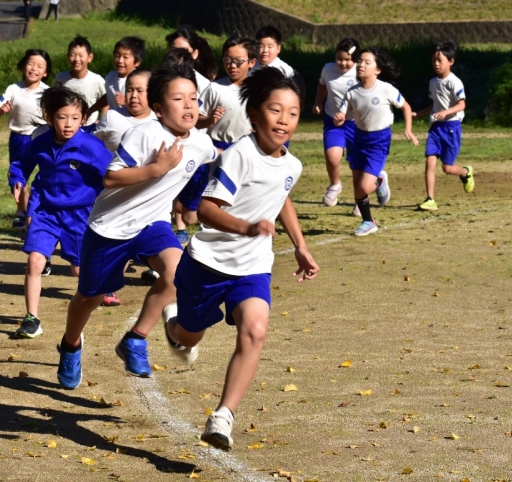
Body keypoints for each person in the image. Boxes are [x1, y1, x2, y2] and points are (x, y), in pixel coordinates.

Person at [162, 66, 319, 452]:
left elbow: (281, 197)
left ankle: (223, 416)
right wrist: (247, 227)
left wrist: (299, 244)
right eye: (275, 110)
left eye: (293, 113)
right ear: (254, 115)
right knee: (189, 335)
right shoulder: (239, 156)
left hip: (252, 267)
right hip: (207, 263)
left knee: (256, 329)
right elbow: (207, 210)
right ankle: (175, 327)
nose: (284, 120)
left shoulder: (292, 165)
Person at [55, 62, 218, 389]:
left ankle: (135, 339)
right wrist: (157, 168)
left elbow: (225, 155)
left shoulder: (200, 142)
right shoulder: (145, 134)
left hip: (152, 225)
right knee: (90, 297)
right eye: (178, 99)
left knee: (177, 275)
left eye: (193, 99)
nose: (188, 105)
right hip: (110, 229)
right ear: (158, 107)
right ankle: (71, 344)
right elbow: (112, 177)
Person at [8, 87, 112, 338]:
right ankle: (32, 318)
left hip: (79, 215)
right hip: (45, 211)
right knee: (35, 261)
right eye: (62, 117)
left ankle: (93, 297)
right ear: (50, 117)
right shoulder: (40, 143)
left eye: (75, 118)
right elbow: (21, 164)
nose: (68, 124)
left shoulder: (90, 146)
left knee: (79, 270)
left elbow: (112, 173)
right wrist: (17, 179)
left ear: (84, 119)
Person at [174, 33, 259, 245]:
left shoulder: (259, 91)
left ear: (252, 62)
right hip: (215, 150)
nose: (232, 66)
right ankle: (198, 233)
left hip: (247, 149)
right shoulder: (216, 88)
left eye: (238, 61)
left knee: (239, 199)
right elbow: (196, 120)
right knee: (197, 208)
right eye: (227, 60)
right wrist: (210, 119)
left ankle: (233, 240)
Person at [334, 48, 418, 236]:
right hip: (358, 138)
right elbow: (341, 115)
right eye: (360, 61)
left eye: (367, 62)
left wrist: (408, 129)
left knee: (365, 186)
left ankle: (379, 181)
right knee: (357, 186)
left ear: (377, 70)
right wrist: (338, 118)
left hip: (379, 140)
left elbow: (405, 106)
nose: (361, 65)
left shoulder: (385, 89)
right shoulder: (352, 92)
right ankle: (368, 221)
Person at [0, 49, 51, 230]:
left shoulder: (48, 93)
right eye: (31, 64)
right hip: (18, 138)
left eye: (40, 66)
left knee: (45, 175)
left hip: (41, 139)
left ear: (45, 72)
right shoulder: (13, 89)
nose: (34, 69)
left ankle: (41, 214)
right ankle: (21, 211)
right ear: (23, 66)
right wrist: (0, 111)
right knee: (16, 176)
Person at [413, 40, 474, 211]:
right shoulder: (433, 82)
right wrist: (418, 114)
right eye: (434, 60)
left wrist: (446, 113)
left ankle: (465, 172)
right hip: (435, 128)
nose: (436, 64)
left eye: (440, 60)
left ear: (451, 61)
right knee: (429, 162)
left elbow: (462, 105)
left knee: (447, 168)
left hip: (451, 127)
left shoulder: (455, 82)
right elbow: (435, 106)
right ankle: (430, 199)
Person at [313, 38, 360, 207]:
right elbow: (322, 85)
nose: (343, 63)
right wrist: (318, 102)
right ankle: (335, 185)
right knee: (332, 157)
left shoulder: (360, 72)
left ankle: (360, 200)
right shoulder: (328, 69)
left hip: (357, 124)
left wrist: (346, 113)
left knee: (357, 165)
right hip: (333, 121)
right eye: (339, 58)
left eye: (348, 59)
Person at [93, 69, 155, 152]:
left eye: (140, 91)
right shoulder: (111, 116)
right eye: (129, 90)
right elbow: (92, 146)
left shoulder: (159, 122)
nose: (134, 95)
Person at [87, 36, 145, 117]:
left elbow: (147, 107)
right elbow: (109, 96)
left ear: (137, 62)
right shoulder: (110, 77)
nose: (120, 61)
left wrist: (127, 102)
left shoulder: (141, 82)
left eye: (125, 57)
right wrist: (91, 110)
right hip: (115, 123)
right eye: (117, 55)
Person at [53, 35, 106, 124]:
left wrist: (102, 121)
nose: (77, 59)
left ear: (90, 57)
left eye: (81, 55)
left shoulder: (97, 80)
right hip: (66, 127)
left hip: (88, 127)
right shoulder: (61, 78)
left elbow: (106, 101)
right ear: (67, 56)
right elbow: (55, 100)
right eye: (72, 55)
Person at [165, 26, 218, 98]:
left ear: (195, 53)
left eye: (184, 51)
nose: (177, 54)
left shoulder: (203, 85)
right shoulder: (159, 78)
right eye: (174, 50)